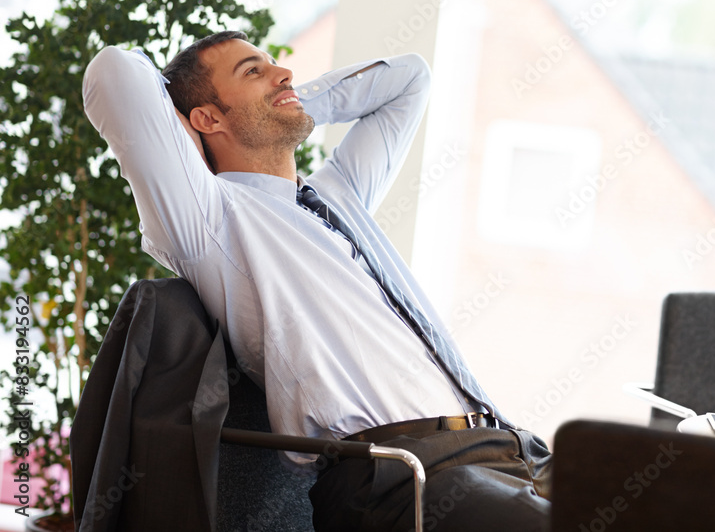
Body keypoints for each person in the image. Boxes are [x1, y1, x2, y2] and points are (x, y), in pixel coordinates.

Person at [83, 31, 552, 531]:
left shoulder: (338, 197)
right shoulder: (211, 216)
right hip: (405, 476)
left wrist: (288, 100)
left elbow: (409, 79)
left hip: (509, 449)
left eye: (273, 66)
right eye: (252, 72)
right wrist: (184, 135)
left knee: (631, 490)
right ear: (207, 119)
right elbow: (113, 73)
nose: (284, 73)